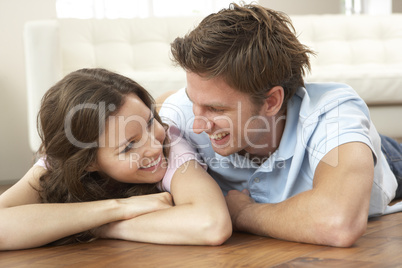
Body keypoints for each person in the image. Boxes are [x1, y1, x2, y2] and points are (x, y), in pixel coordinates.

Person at [159, 3, 402, 247]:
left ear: (271, 101)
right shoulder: (184, 115)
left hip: (388, 159)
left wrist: (243, 214)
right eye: (194, 102)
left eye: (216, 109)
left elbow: (338, 223)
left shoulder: (334, 114)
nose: (198, 125)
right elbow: (156, 111)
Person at [0, 68, 232, 251]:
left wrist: (100, 227)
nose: (153, 146)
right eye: (129, 146)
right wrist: (118, 208)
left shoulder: (170, 144)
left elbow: (212, 224)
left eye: (150, 122)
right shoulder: (60, 164)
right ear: (88, 162)